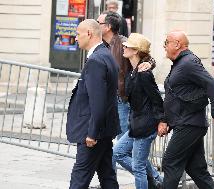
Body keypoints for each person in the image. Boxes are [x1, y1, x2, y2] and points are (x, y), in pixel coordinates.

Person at [160, 30, 214, 189]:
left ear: (177, 44)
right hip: (187, 123)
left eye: (166, 43)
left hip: (189, 124)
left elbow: (213, 86)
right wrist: (165, 119)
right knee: (196, 169)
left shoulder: (189, 62)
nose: (164, 47)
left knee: (170, 162)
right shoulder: (181, 63)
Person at [66, 19, 120, 189]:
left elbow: (98, 100)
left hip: (93, 132)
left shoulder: (97, 59)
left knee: (79, 177)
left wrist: (92, 133)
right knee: (108, 176)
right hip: (104, 129)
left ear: (89, 33)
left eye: (77, 34)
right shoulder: (106, 54)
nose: (75, 38)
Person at [113, 33, 165, 189]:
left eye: (128, 46)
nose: (124, 46)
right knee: (118, 153)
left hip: (145, 126)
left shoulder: (143, 74)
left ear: (135, 51)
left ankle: (154, 182)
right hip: (135, 125)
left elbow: (156, 99)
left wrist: (162, 120)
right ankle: (155, 180)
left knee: (138, 167)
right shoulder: (133, 70)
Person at [97, 11, 155, 140]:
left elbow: (146, 56)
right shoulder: (99, 45)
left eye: (98, 23)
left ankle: (135, 161)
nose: (95, 25)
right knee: (108, 144)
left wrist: (149, 63)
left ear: (107, 27)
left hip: (120, 100)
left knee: (121, 144)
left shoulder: (123, 43)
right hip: (105, 100)